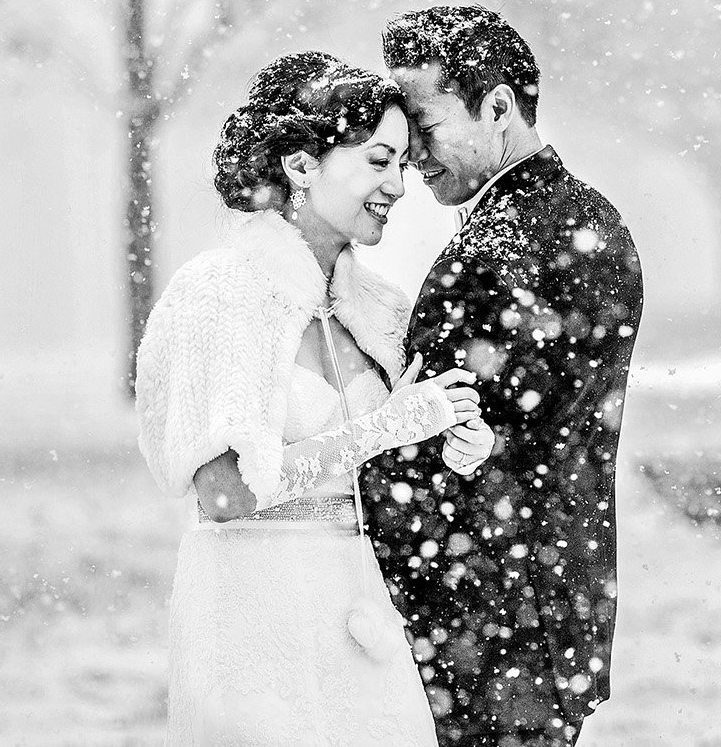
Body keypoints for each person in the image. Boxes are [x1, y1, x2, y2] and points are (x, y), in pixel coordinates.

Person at [135, 51, 497, 747]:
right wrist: (385, 426)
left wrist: (455, 442)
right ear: (302, 165)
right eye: (378, 160)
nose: (398, 184)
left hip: (364, 609)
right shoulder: (221, 293)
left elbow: (395, 463)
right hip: (255, 609)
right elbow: (223, 492)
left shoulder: (379, 307)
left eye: (403, 163)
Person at [363, 6, 645, 747]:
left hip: (487, 620)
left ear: (497, 106)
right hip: (549, 608)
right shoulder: (588, 217)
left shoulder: (497, 249)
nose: (411, 156)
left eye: (425, 125)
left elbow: (436, 445)